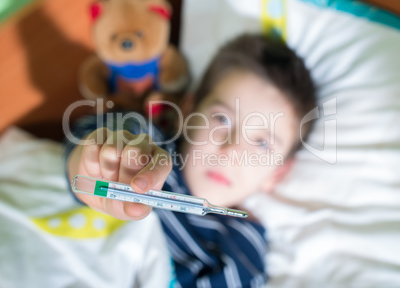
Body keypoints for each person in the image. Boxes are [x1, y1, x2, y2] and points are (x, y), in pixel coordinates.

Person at [64, 33, 316, 287]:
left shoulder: (243, 247)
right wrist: (95, 163)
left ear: (277, 174)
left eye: (262, 143)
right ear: (187, 111)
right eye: (222, 119)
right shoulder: (145, 143)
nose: (231, 150)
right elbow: (89, 141)